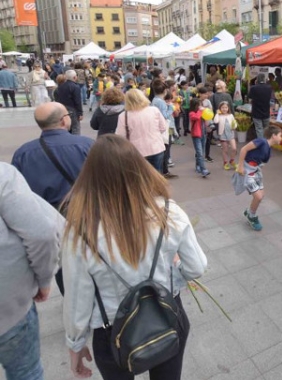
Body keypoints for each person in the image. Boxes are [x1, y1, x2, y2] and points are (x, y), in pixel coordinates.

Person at [61, 134, 207, 380]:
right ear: (139, 168)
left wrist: (75, 344)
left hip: (112, 332)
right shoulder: (169, 211)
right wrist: (174, 273)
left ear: (90, 176)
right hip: (167, 315)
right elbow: (197, 267)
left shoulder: (80, 230)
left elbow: (77, 299)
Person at [0, 163, 62, 380]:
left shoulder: (20, 159)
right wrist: (44, 279)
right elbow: (41, 233)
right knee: (26, 373)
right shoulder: (4, 176)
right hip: (10, 309)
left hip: (10, 308)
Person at [237, 125, 282, 231]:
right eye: (280, 135)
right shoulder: (261, 141)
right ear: (273, 135)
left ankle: (249, 212)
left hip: (256, 171)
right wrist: (240, 166)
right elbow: (244, 149)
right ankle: (251, 216)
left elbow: (261, 163)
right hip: (248, 171)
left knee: (261, 196)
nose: (281, 138)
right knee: (258, 197)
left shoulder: (269, 151)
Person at [116, 89, 168, 172]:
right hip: (156, 147)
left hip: (135, 151)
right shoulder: (154, 110)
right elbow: (163, 128)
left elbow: (120, 136)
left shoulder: (123, 116)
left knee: (140, 178)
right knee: (157, 176)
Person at [150, 79, 177, 179]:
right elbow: (164, 116)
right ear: (165, 91)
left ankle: (164, 170)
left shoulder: (154, 100)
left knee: (166, 148)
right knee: (166, 148)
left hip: (164, 127)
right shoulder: (161, 102)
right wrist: (171, 108)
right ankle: (164, 171)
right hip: (166, 127)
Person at [56, 70, 84, 135]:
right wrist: (80, 113)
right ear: (74, 77)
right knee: (75, 127)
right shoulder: (75, 87)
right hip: (72, 109)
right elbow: (77, 101)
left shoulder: (60, 87)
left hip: (62, 109)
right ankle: (75, 142)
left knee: (66, 127)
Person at [188, 98, 210, 178]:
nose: (200, 106)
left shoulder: (201, 112)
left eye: (201, 104)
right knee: (200, 153)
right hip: (196, 135)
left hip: (203, 134)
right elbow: (196, 117)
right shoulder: (191, 113)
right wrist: (201, 111)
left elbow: (207, 118)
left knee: (201, 152)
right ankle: (203, 169)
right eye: (199, 105)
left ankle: (198, 165)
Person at [213, 101, 237, 170]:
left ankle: (232, 160)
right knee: (225, 149)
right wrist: (217, 114)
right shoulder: (219, 116)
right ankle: (225, 162)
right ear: (220, 108)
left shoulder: (231, 115)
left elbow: (234, 123)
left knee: (234, 148)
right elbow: (215, 121)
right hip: (223, 134)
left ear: (228, 108)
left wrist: (234, 126)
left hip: (231, 133)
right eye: (222, 107)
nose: (224, 109)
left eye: (226, 107)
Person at [249, 74, 273, 140]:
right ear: (264, 79)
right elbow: (270, 99)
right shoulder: (269, 87)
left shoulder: (253, 88)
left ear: (257, 80)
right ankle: (266, 143)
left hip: (256, 112)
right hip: (266, 112)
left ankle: (261, 143)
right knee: (266, 129)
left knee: (259, 129)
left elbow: (250, 100)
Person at [198, 87, 215, 163]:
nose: (206, 95)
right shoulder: (197, 101)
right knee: (201, 140)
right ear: (200, 94)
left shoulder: (208, 101)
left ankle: (207, 155)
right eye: (204, 94)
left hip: (208, 122)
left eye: (206, 93)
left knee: (208, 139)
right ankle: (200, 155)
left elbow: (211, 110)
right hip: (200, 123)